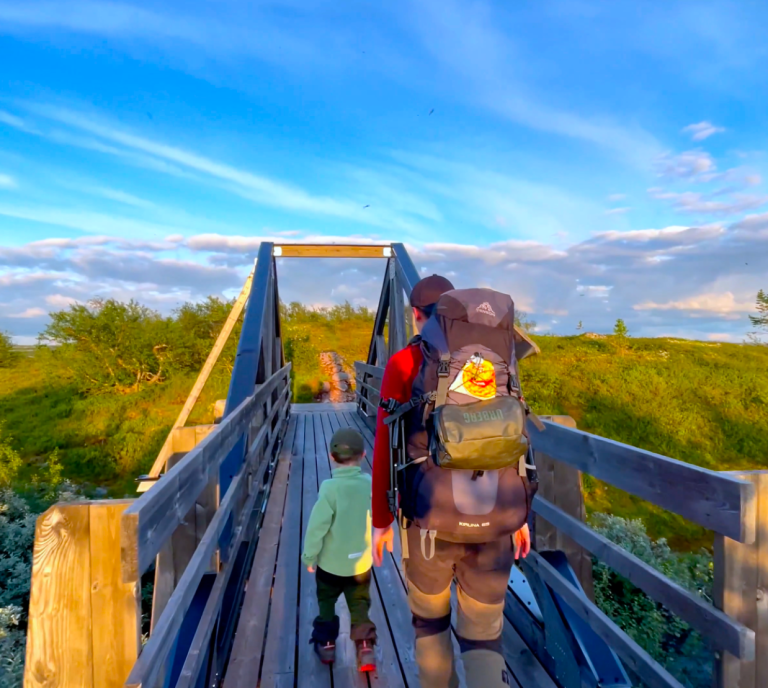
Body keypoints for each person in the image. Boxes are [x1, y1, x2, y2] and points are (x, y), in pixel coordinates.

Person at [371, 274, 532, 688]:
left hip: (430, 517)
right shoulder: (497, 359)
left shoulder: (406, 362)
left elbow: (386, 444)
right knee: (484, 634)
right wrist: (521, 514)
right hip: (496, 511)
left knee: (430, 625)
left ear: (415, 315)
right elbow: (512, 434)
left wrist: (382, 520)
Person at [302, 426, 377, 673]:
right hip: (360, 565)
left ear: (331, 458)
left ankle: (326, 644)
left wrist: (310, 555)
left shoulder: (329, 489)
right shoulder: (369, 484)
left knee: (326, 601)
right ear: (364, 454)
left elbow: (317, 527)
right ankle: (365, 647)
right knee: (359, 604)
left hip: (331, 566)